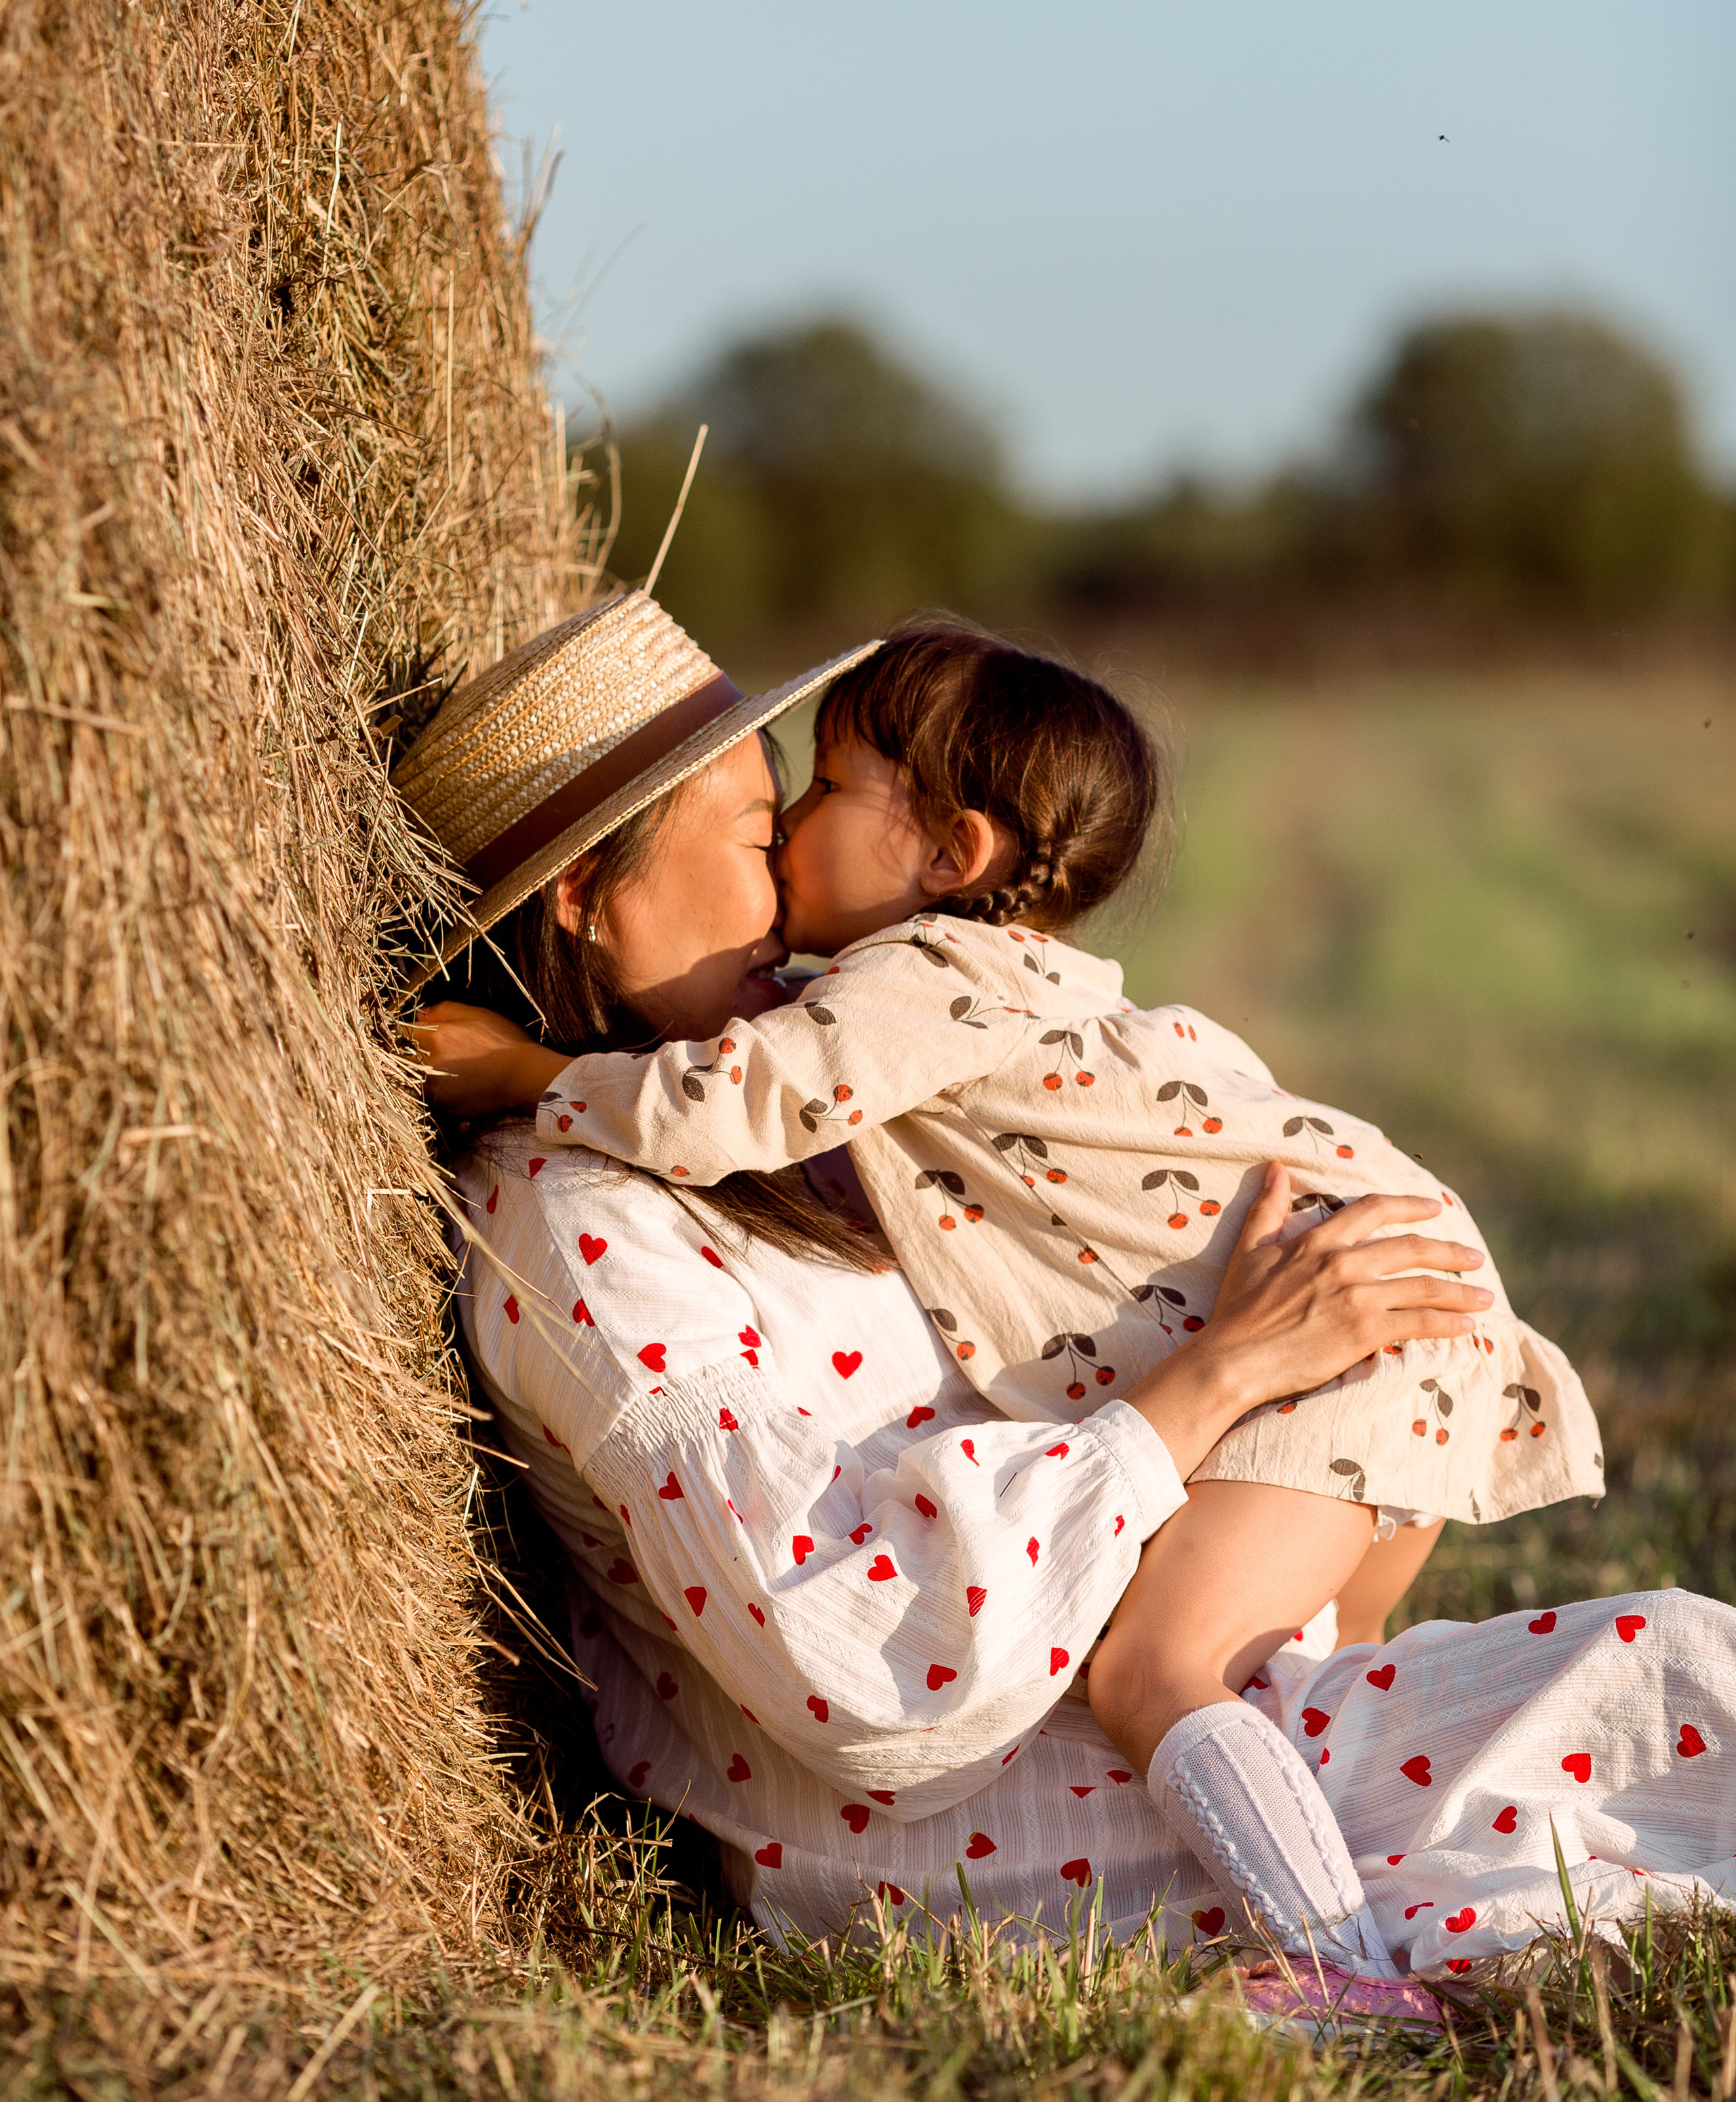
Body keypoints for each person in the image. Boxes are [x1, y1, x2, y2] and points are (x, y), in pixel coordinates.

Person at [401, 592, 1735, 2011]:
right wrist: (1211, 1383)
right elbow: (855, 1656)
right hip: (1002, 1825)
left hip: (1114, 1674)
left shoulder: (815, 1068)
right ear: (577, 893)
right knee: (1650, 1695)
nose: (786, 861)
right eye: (751, 831)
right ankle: (1340, 1976)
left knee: (1668, 1675)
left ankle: (1316, 1875)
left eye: (806, 803)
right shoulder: (579, 1215)